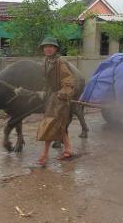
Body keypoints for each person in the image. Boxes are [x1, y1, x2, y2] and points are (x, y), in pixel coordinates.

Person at [36, 36, 76, 166]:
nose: (47, 49)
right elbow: (45, 81)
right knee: (59, 125)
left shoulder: (60, 62)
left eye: (50, 46)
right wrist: (42, 92)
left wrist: (62, 93)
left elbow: (69, 80)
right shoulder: (45, 62)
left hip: (60, 98)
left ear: (55, 49)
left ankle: (44, 155)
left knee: (50, 124)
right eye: (45, 47)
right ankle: (68, 149)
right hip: (50, 97)